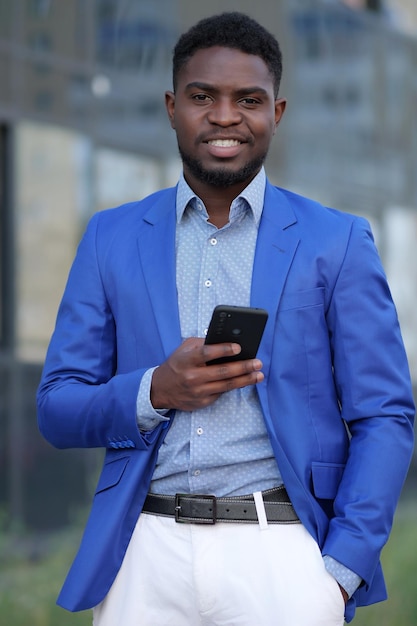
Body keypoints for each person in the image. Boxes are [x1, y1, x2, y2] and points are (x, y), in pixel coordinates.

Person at [37, 11, 414, 626]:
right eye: (202, 96)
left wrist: (341, 572)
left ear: (277, 113)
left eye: (249, 100)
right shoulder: (110, 238)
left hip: (282, 556)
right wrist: (154, 390)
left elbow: (385, 414)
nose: (223, 117)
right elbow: (56, 407)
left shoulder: (336, 241)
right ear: (170, 106)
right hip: (144, 554)